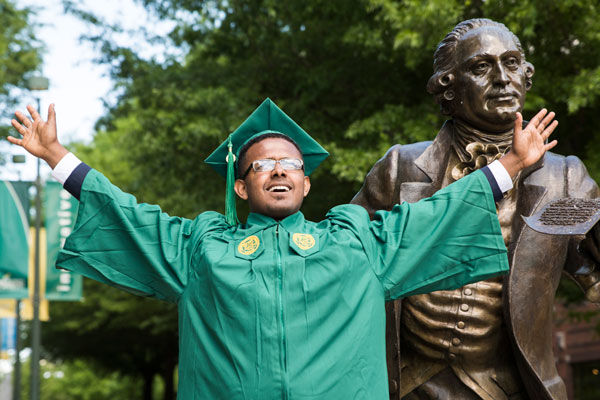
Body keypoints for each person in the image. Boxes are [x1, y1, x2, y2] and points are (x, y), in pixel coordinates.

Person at [9, 97, 556, 399]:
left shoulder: (355, 240)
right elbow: (129, 217)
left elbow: (436, 217)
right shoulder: (202, 249)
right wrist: (57, 156)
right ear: (241, 186)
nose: (278, 169)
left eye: (290, 163)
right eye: (262, 164)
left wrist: (509, 165)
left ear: (306, 183)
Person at [352, 18, 600, 400]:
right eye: (481, 67)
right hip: (403, 385)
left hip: (508, 386)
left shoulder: (562, 179)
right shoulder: (400, 166)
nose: (502, 78)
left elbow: (593, 273)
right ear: (449, 88)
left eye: (513, 63)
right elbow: (343, 264)